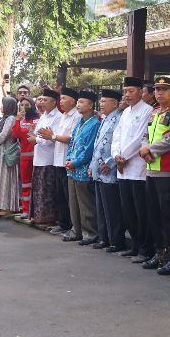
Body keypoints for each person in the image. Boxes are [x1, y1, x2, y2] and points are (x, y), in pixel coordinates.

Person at [139, 76, 170, 275]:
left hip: (169, 172)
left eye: (164, 89)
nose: (160, 93)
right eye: (157, 89)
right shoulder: (154, 113)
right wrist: (145, 148)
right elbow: (145, 134)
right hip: (151, 171)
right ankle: (162, 254)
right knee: (154, 215)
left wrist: (150, 150)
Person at [112, 77, 156, 261]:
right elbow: (117, 136)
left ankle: (146, 249)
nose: (127, 95)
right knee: (128, 208)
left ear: (141, 92)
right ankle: (136, 245)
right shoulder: (125, 113)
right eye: (125, 91)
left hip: (137, 168)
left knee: (141, 210)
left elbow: (140, 139)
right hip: (122, 168)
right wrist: (116, 156)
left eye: (131, 91)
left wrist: (124, 158)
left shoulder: (148, 111)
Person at [64, 91, 102, 243]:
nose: (78, 105)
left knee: (85, 203)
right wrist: (68, 160)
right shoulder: (80, 122)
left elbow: (89, 149)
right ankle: (76, 231)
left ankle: (90, 233)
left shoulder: (95, 123)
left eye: (81, 102)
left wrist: (75, 162)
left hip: (83, 168)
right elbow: (72, 142)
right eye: (78, 102)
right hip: (72, 168)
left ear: (91, 105)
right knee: (73, 202)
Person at [43, 87, 81, 234]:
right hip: (58, 160)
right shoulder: (64, 115)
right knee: (60, 194)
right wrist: (49, 136)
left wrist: (51, 136)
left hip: (68, 160)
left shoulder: (76, 116)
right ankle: (63, 223)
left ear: (73, 101)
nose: (61, 102)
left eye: (63, 99)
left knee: (69, 195)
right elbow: (57, 136)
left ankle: (73, 225)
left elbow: (72, 138)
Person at [90, 90, 124, 250]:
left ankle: (116, 240)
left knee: (112, 208)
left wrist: (110, 162)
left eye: (104, 102)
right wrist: (92, 165)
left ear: (115, 103)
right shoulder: (104, 119)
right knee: (101, 206)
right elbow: (97, 144)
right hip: (98, 169)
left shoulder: (119, 118)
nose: (101, 105)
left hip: (109, 169)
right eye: (101, 102)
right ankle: (104, 238)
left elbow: (119, 143)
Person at [30, 90, 62, 227]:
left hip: (48, 158)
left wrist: (36, 139)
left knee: (47, 190)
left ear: (54, 102)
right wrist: (33, 134)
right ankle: (38, 217)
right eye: (41, 100)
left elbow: (50, 138)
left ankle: (49, 218)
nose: (42, 102)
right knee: (38, 189)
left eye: (45, 100)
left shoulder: (58, 117)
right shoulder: (43, 116)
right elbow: (38, 134)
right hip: (38, 157)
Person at [12, 97, 39, 220]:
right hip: (24, 157)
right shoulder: (21, 120)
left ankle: (37, 210)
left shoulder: (39, 119)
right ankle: (26, 209)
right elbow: (16, 134)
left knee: (38, 185)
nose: (25, 107)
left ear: (32, 105)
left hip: (38, 156)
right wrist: (18, 119)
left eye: (27, 105)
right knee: (26, 184)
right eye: (22, 105)